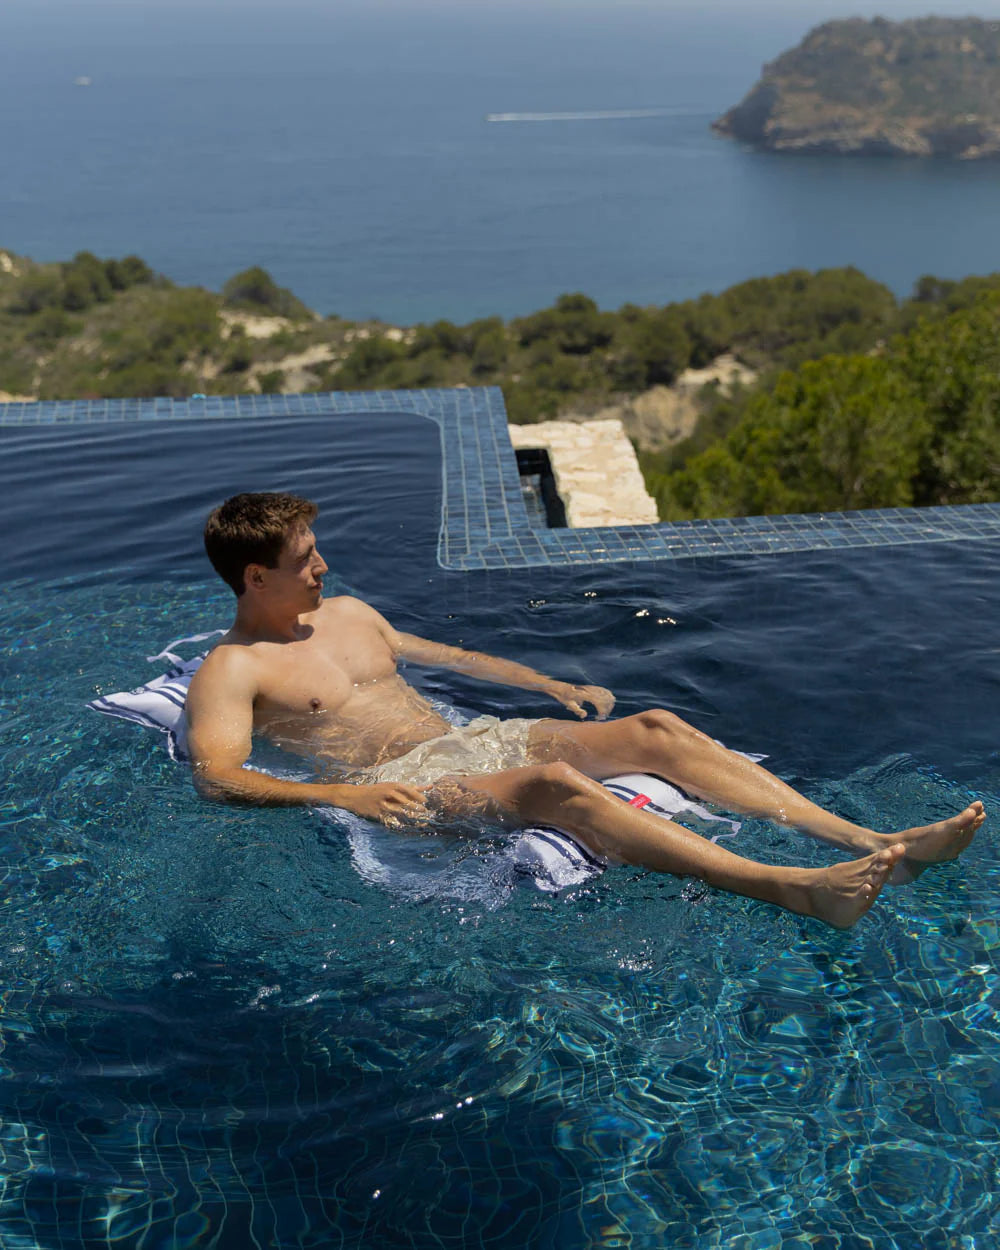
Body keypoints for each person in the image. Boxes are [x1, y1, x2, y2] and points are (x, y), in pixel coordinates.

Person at [185, 491, 985, 929]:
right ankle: (792, 886)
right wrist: (343, 796)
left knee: (657, 727)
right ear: (256, 578)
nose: (323, 565)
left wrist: (547, 684)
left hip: (473, 742)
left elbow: (447, 657)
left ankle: (875, 843)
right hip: (404, 786)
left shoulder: (350, 613)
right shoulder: (232, 669)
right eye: (305, 559)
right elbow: (216, 777)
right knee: (558, 787)